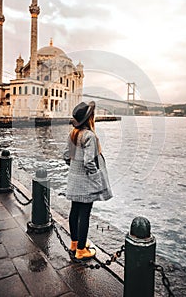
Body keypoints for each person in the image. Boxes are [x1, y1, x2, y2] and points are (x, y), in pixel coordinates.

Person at [63, 101, 113, 260]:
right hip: (86, 182)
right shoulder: (89, 136)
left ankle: (74, 243)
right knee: (85, 213)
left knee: (74, 211)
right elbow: (89, 162)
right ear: (90, 118)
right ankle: (81, 250)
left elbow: (66, 156)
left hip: (74, 180)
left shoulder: (73, 133)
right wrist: (95, 176)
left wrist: (75, 168)